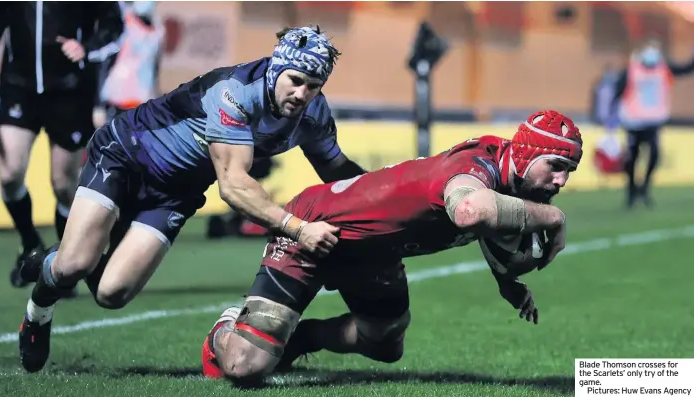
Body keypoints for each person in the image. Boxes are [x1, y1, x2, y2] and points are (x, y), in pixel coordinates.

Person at [16, 25, 367, 374]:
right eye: (295, 80)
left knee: (111, 295)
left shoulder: (314, 114)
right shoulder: (235, 92)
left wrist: (383, 193)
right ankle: (38, 309)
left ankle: (58, 257)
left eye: (313, 86)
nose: (302, 93)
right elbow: (233, 185)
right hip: (124, 156)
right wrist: (297, 229)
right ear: (277, 68)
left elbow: (338, 170)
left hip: (174, 193)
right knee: (73, 266)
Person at [201, 110, 583, 386]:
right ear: (527, 154)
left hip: (373, 252)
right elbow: (470, 212)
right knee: (244, 366)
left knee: (384, 344)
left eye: (570, 170)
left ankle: (299, 339)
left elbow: (492, 224)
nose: (561, 179)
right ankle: (229, 325)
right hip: (313, 230)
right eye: (555, 165)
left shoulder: (507, 172)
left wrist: (507, 283)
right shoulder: (476, 164)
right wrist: (555, 219)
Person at [0, 2, 124, 289]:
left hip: (70, 89)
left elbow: (114, 26)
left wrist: (87, 47)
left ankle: (62, 264)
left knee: (64, 186)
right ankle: (30, 245)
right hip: (19, 85)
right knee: (9, 175)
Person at [611, 37, 694, 208]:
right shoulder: (631, 70)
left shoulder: (663, 68)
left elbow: (687, 68)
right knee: (633, 157)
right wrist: (611, 117)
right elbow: (617, 91)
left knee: (654, 154)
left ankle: (644, 188)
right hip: (633, 120)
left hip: (653, 119)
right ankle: (631, 192)